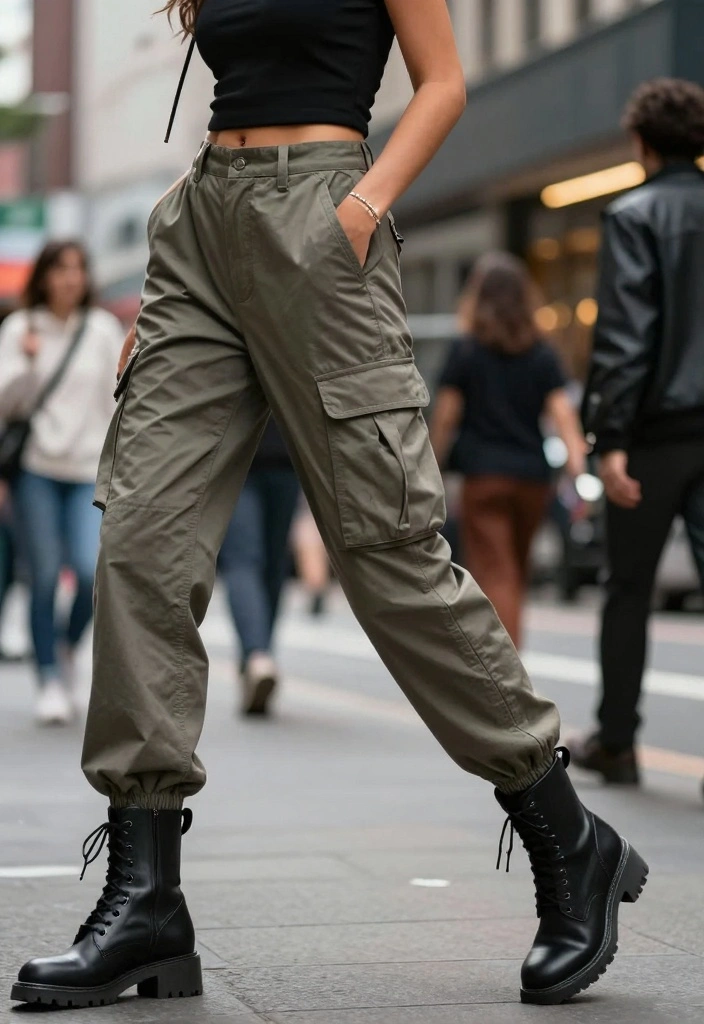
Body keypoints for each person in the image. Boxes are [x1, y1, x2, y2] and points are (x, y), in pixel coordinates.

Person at [11, 0, 648, 1010]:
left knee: (384, 551)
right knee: (140, 537)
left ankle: (567, 833)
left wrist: (358, 208)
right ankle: (145, 899)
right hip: (204, 228)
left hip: (325, 213)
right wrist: (184, 242)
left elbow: (442, 82)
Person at [572, 78, 704, 784]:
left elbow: (626, 335)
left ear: (641, 142)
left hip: (653, 435)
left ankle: (617, 741)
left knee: (628, 588)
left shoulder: (634, 215)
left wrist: (609, 437)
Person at [430, 253, 586, 648]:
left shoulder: (466, 351)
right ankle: (507, 658)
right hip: (532, 479)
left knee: (495, 573)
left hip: (484, 477)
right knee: (515, 570)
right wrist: (577, 468)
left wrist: (429, 465)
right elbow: (563, 415)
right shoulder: (542, 353)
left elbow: (447, 416)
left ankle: (507, 666)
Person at [0, 242, 123, 725]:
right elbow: (6, 405)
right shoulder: (19, 328)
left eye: (78, 269)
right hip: (36, 470)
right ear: (45, 276)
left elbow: (118, 397)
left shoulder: (100, 329)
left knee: (92, 573)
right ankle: (49, 676)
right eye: (61, 269)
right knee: (45, 575)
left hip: (86, 470)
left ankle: (67, 649)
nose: (71, 278)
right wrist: (28, 364)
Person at [217, 418, 299, 714]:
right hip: (285, 452)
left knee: (244, 561)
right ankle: (259, 656)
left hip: (237, 449)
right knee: (269, 565)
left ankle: (256, 657)